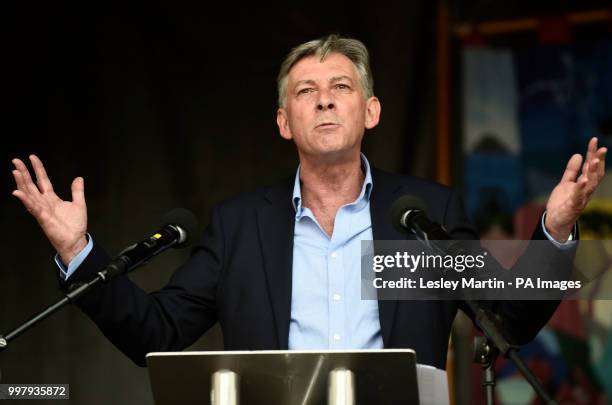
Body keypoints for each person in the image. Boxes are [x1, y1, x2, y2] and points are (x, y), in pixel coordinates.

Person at [10, 35, 607, 369]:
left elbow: (509, 322)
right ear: (283, 122)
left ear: (369, 112)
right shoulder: (241, 227)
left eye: (341, 88)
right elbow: (153, 334)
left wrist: (554, 230)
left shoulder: (420, 215)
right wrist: (78, 252)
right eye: (307, 92)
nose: (325, 102)